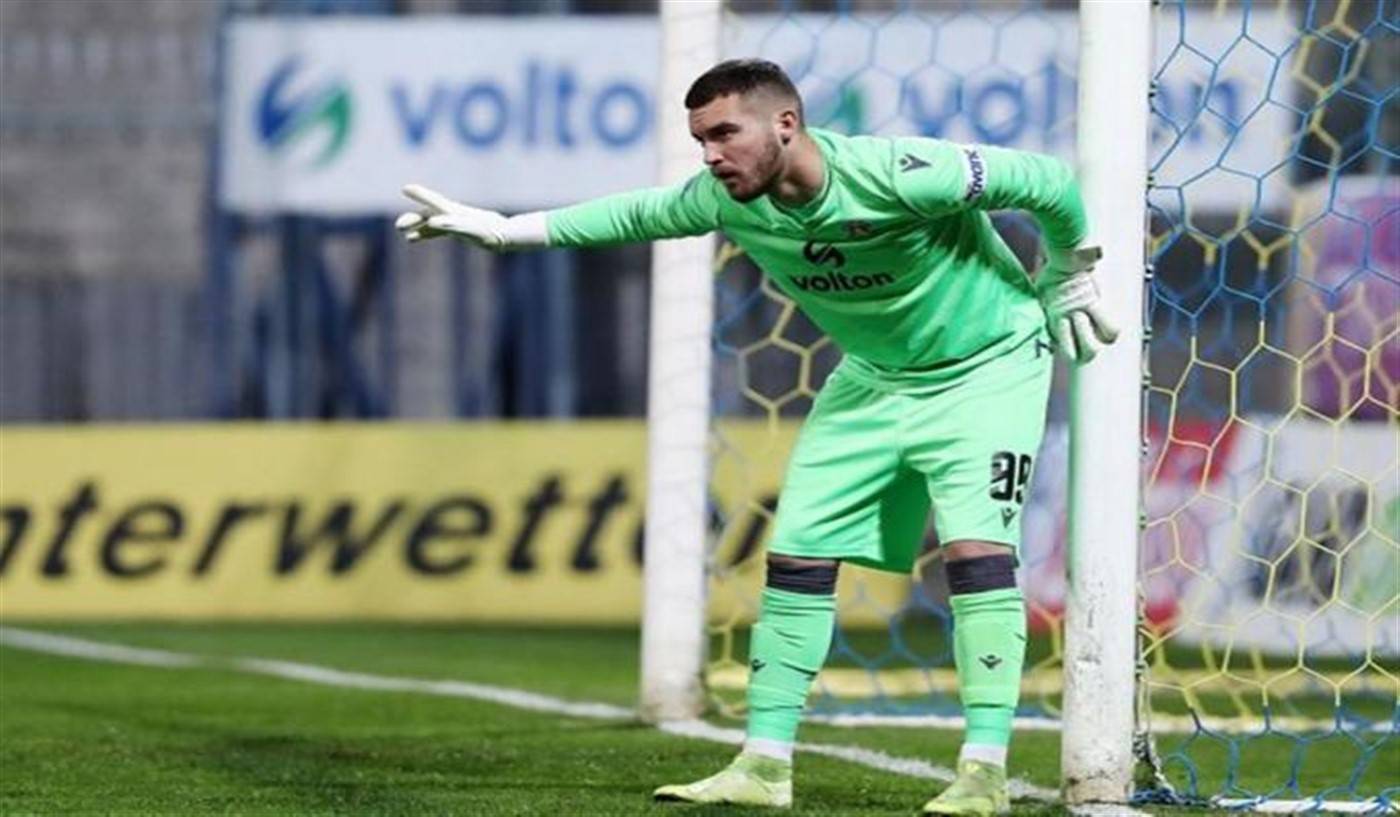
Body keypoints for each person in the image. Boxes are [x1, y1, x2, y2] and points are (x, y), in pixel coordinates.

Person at [396, 58, 1116, 817]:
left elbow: (1046, 181)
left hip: (988, 368)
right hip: (874, 379)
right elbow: (633, 214)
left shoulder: (899, 174)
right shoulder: (727, 201)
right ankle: (764, 765)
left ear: (786, 124)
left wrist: (1065, 270)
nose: (711, 156)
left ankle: (984, 773)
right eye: (701, 140)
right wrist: (506, 230)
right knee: (798, 552)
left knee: (975, 552)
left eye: (724, 134)